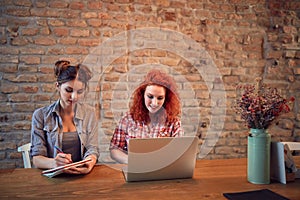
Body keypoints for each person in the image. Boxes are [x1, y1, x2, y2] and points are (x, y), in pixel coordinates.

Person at [30, 60, 99, 175]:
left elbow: (92, 148)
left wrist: (90, 162)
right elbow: (37, 159)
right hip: (54, 178)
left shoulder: (90, 113)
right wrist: (54, 163)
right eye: (69, 90)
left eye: (80, 91)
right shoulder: (40, 115)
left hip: (81, 175)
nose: (74, 97)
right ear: (58, 86)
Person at [110, 69, 184, 164]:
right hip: (135, 170)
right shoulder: (128, 119)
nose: (154, 103)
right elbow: (114, 150)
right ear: (142, 95)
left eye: (160, 98)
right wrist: (133, 161)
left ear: (166, 99)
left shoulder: (174, 123)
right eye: (150, 96)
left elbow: (179, 154)